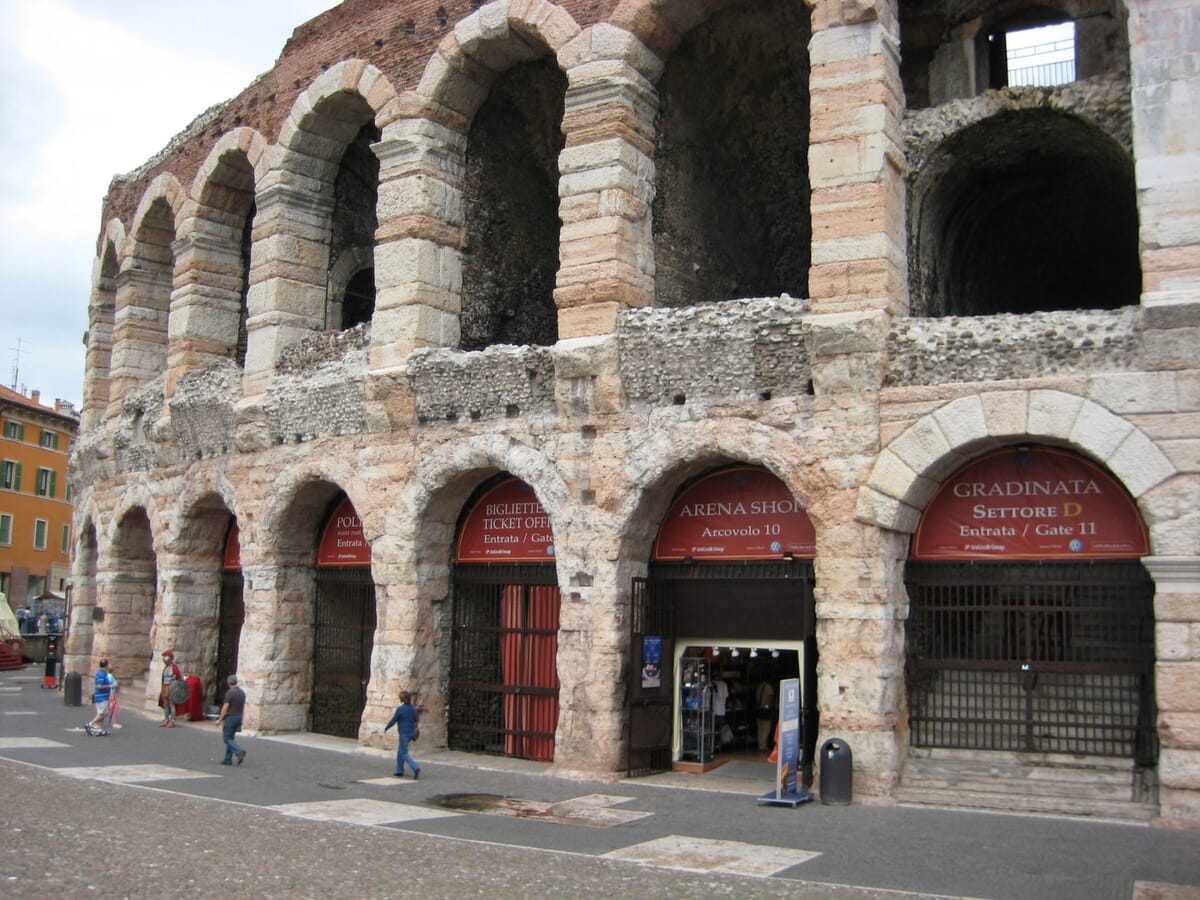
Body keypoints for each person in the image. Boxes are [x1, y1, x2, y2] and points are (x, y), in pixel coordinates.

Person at [384, 691, 421, 779]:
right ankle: (399, 770)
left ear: (402, 699)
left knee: (403, 753)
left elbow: (394, 720)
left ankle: (415, 767)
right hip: (411, 732)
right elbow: (416, 719)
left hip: (403, 733)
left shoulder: (400, 709)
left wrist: (387, 727)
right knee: (400, 752)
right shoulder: (413, 708)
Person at [215, 674, 247, 766]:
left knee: (227, 738)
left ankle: (239, 751)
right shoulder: (242, 692)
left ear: (229, 683)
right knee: (231, 738)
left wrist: (220, 719)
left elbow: (226, 707)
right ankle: (227, 759)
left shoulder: (230, 693)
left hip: (231, 717)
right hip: (239, 716)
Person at [85, 659, 115, 736]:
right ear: (106, 665)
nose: (110, 665)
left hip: (102, 696)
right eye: (109, 664)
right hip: (101, 697)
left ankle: (99, 729)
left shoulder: (102, 673)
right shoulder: (101, 674)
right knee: (103, 713)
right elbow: (99, 686)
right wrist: (110, 685)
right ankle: (90, 724)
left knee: (101, 713)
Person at [158, 650, 182, 727]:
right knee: (166, 704)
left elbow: (178, 679)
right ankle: (166, 719)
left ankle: (172, 721)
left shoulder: (174, 668)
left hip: (172, 687)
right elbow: (163, 678)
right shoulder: (166, 668)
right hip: (165, 686)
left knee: (172, 704)